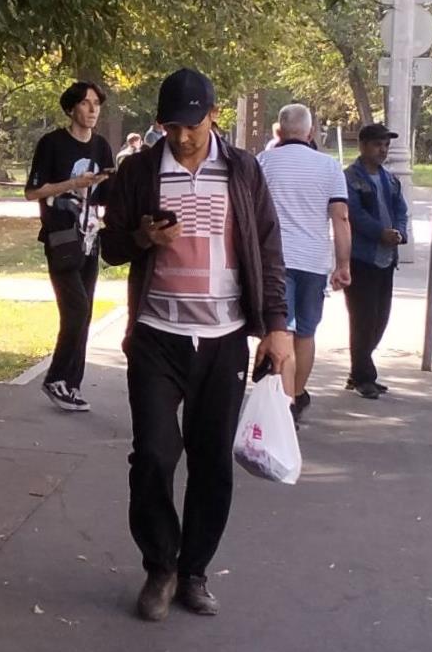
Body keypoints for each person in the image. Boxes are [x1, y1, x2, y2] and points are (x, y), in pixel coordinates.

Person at [95, 68, 288, 622]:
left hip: (224, 339)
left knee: (212, 461)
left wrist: (277, 326)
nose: (182, 137)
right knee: (154, 455)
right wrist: (142, 237)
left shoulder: (242, 169)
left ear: (214, 115)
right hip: (158, 336)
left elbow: (267, 249)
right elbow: (109, 247)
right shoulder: (139, 170)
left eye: (192, 125)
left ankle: (194, 571)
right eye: (171, 126)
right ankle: (160, 566)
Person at [253, 103, 350, 417]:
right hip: (313, 262)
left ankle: (284, 406)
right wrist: (343, 265)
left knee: (282, 332)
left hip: (273, 263)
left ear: (279, 131)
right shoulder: (330, 166)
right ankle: (295, 396)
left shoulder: (262, 162)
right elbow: (341, 217)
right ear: (311, 132)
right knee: (306, 334)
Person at [23, 81, 114, 411]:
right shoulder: (52, 144)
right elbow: (33, 192)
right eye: (86, 103)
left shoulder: (101, 146)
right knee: (75, 310)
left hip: (90, 238)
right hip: (61, 237)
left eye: (96, 104)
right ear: (71, 108)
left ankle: (71, 384)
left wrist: (107, 183)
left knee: (84, 313)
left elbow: (106, 195)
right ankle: (55, 378)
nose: (92, 110)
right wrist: (74, 183)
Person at [341, 122, 412, 397]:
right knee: (363, 319)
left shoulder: (389, 179)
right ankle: (363, 377)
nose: (382, 150)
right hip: (362, 259)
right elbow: (354, 214)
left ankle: (359, 370)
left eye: (386, 145)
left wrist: (399, 233)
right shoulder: (351, 178)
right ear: (362, 146)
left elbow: (401, 210)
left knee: (380, 318)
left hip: (386, 259)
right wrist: (379, 233)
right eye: (377, 145)